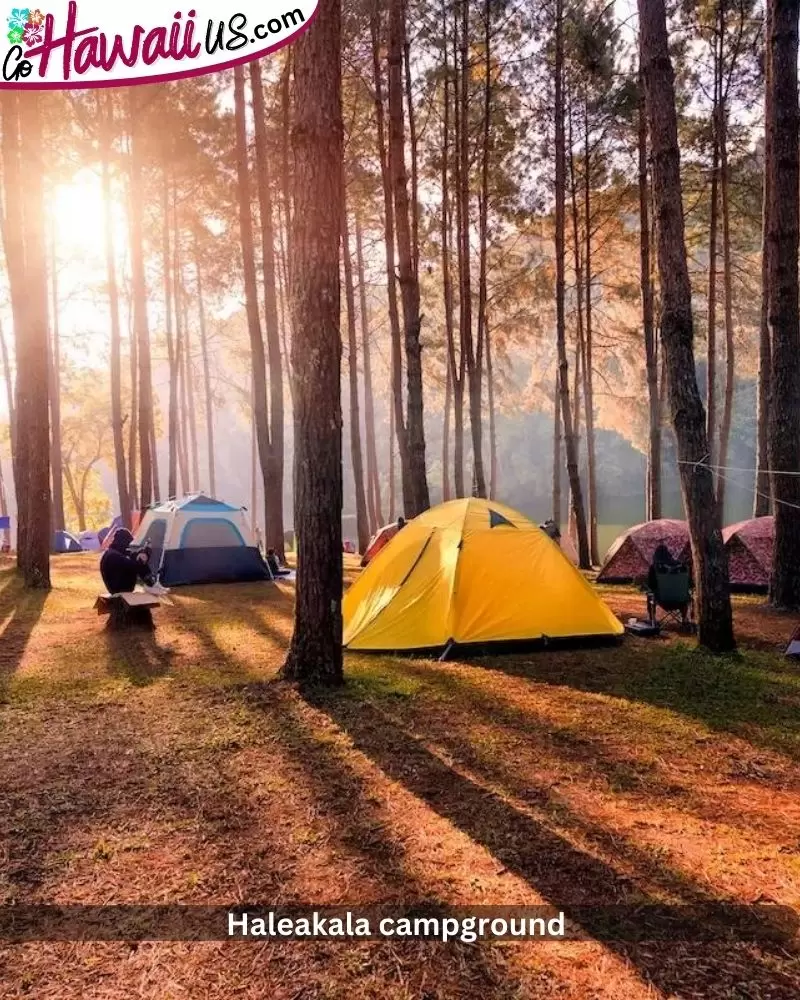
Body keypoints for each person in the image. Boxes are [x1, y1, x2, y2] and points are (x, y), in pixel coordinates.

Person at [100, 529, 169, 597]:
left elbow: (130, 554)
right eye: (127, 542)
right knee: (139, 563)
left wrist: (142, 552)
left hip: (115, 586)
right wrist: (145, 554)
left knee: (137, 559)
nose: (128, 545)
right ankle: (152, 584)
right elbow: (134, 564)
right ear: (123, 541)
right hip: (119, 588)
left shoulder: (112, 552)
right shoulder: (114, 557)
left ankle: (152, 584)